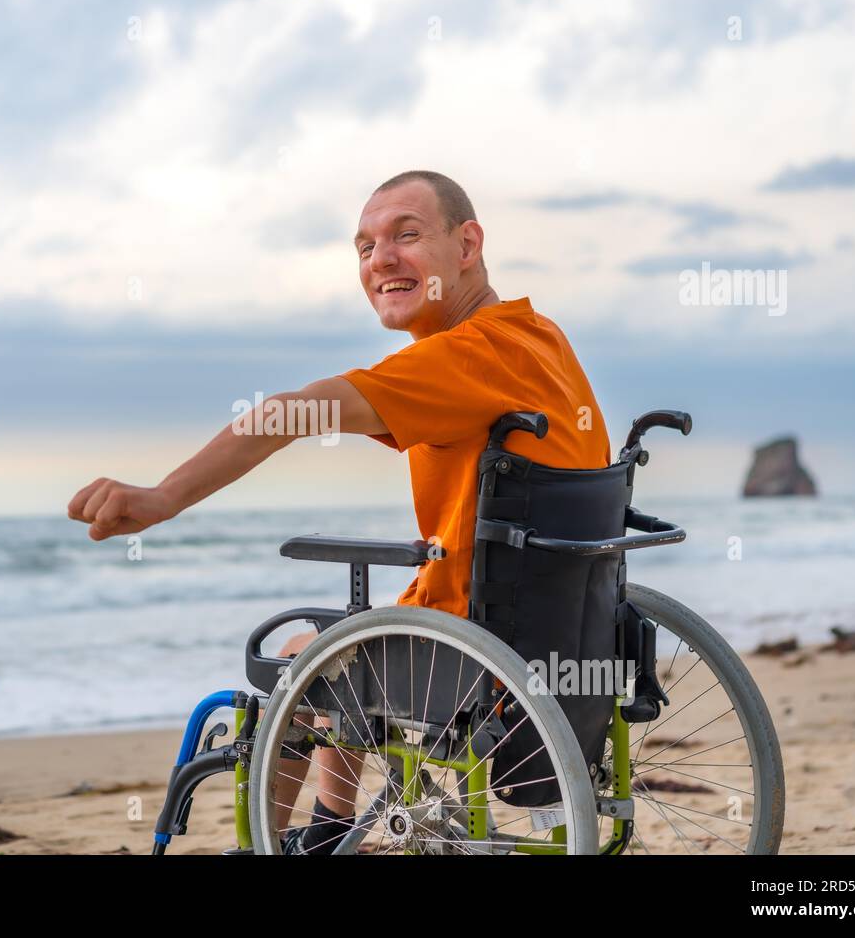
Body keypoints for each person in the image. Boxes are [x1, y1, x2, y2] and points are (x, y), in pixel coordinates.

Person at [67, 170, 611, 853]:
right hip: (572, 634)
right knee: (341, 642)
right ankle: (327, 829)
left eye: (406, 236)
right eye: (364, 247)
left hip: (477, 651)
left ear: (467, 243)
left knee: (303, 656)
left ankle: (307, 836)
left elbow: (293, 411)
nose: (380, 259)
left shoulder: (462, 359)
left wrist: (163, 498)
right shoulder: (540, 340)